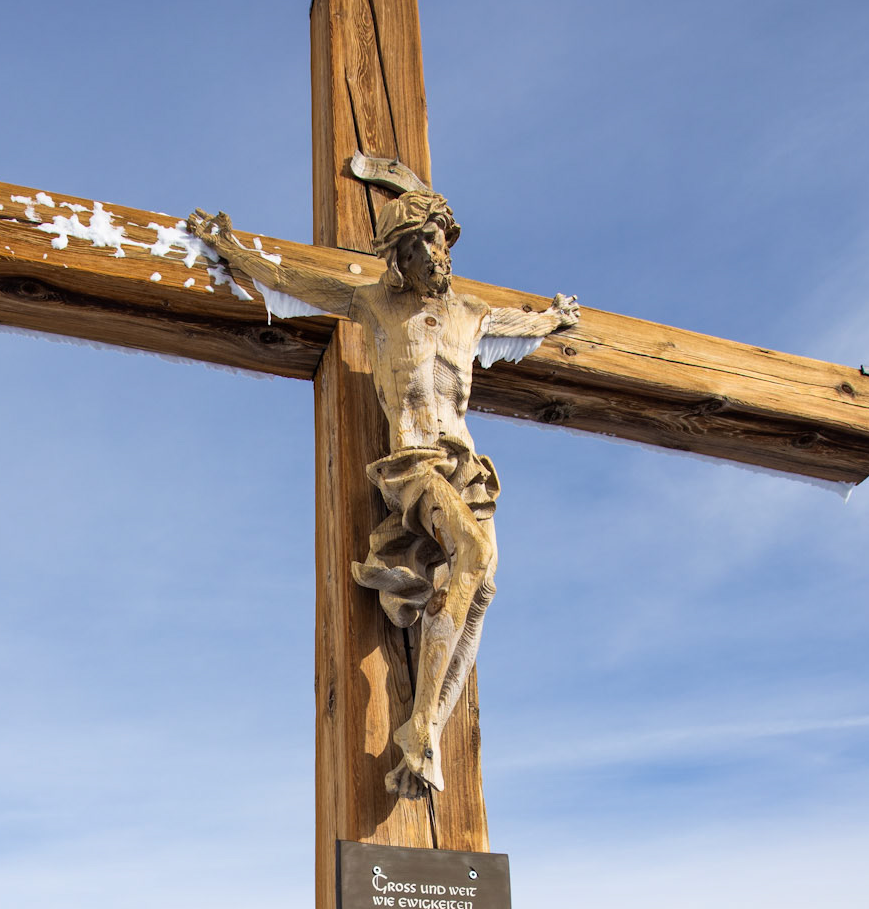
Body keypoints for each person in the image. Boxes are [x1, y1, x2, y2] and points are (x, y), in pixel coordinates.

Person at [186, 175, 577, 797]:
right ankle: (418, 728)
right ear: (397, 256)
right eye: (418, 246)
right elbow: (297, 283)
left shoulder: (471, 313)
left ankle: (426, 733)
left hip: (467, 469)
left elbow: (529, 323)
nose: (433, 255)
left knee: (480, 588)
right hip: (416, 463)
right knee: (473, 555)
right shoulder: (378, 304)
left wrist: (557, 316)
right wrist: (233, 250)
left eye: (438, 242)